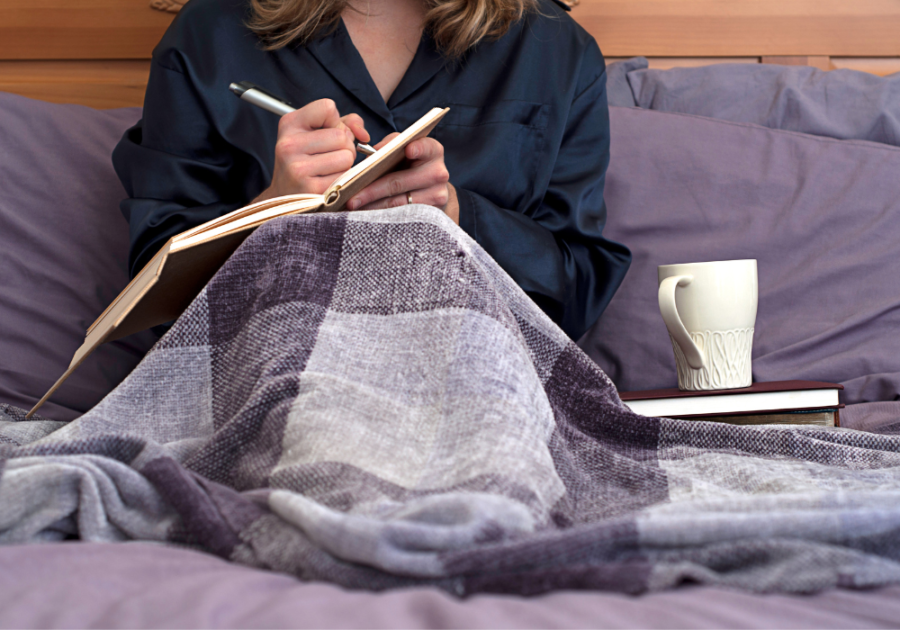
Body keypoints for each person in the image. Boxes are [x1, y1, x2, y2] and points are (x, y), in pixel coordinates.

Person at [113, 0, 630, 340]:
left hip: (482, 377)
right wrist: (269, 213)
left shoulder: (555, 49)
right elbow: (152, 301)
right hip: (279, 373)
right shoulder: (210, 34)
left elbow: (578, 294)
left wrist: (459, 215)